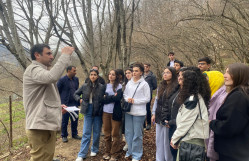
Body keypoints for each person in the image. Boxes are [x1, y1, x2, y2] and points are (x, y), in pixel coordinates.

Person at [23, 44, 74, 161]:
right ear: (37, 55)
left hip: (44, 125)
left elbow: (44, 98)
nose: (52, 56)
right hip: (39, 127)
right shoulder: (33, 70)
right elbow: (52, 76)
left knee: (47, 157)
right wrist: (65, 56)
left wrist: (57, 107)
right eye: (48, 53)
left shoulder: (41, 71)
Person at [210, 63, 249, 161]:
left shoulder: (238, 96)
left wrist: (212, 123)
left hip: (233, 153)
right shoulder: (241, 93)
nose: (224, 75)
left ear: (239, 75)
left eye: (229, 72)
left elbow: (229, 126)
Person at [170, 68, 210, 161]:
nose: (179, 79)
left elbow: (185, 122)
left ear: (188, 82)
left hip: (191, 143)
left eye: (182, 78)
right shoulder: (193, 98)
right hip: (189, 141)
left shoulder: (193, 100)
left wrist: (174, 139)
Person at [74, 69, 106, 161]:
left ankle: (94, 149)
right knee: (86, 132)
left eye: (95, 75)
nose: (93, 76)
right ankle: (82, 154)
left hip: (97, 111)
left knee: (96, 131)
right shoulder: (84, 86)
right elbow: (75, 94)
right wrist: (79, 100)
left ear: (97, 76)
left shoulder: (101, 87)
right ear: (89, 76)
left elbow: (105, 96)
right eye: (91, 74)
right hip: (87, 109)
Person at [123, 63, 151, 161]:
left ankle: (137, 154)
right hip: (128, 112)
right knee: (128, 133)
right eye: (133, 71)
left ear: (141, 72)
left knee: (137, 134)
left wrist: (135, 101)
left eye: (136, 71)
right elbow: (125, 94)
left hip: (139, 113)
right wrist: (128, 99)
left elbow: (147, 98)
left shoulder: (144, 84)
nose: (134, 73)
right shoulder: (129, 83)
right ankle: (130, 151)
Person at [151, 67, 178, 161]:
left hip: (168, 117)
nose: (165, 74)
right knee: (159, 141)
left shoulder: (176, 87)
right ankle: (159, 158)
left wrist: (170, 120)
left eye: (168, 72)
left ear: (173, 74)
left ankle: (168, 159)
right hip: (159, 116)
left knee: (167, 141)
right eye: (164, 72)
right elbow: (156, 101)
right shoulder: (161, 86)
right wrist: (154, 113)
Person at [204, 71, 226, 161]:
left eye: (207, 79)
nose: (205, 82)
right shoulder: (207, 94)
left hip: (218, 137)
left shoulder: (221, 96)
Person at [102, 69, 123, 161]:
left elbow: (118, 98)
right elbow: (101, 99)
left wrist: (107, 97)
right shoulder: (104, 86)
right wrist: (112, 97)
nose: (111, 76)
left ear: (116, 76)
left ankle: (115, 153)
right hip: (105, 112)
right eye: (109, 74)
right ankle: (107, 151)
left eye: (113, 74)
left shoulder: (119, 86)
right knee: (107, 133)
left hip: (115, 113)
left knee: (115, 134)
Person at [57, 66, 81, 143]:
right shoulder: (62, 80)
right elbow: (57, 91)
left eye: (75, 71)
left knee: (75, 119)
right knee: (65, 120)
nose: (75, 72)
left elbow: (77, 90)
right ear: (68, 71)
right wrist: (60, 103)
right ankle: (64, 135)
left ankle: (74, 134)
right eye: (74, 71)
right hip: (65, 104)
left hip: (74, 103)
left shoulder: (76, 79)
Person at [122, 68, 133, 152]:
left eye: (129, 73)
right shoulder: (124, 84)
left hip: (135, 106)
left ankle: (134, 144)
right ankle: (128, 143)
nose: (127, 75)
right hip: (126, 107)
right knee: (126, 127)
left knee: (134, 127)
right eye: (126, 73)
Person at [143, 63, 157, 130]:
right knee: (142, 108)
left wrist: (150, 89)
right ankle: (143, 123)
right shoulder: (141, 75)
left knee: (147, 108)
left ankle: (148, 123)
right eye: (144, 67)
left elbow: (155, 86)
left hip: (148, 94)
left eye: (146, 67)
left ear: (149, 68)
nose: (145, 68)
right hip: (141, 94)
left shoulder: (152, 76)